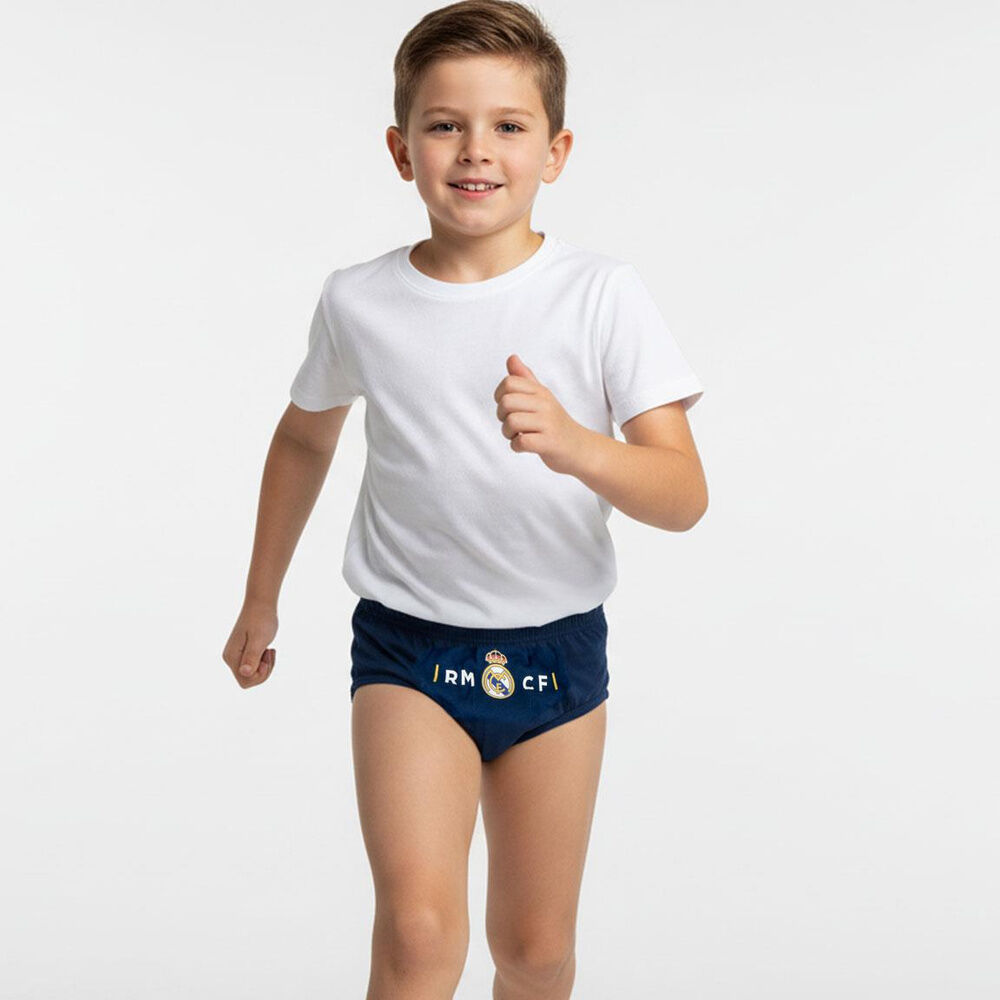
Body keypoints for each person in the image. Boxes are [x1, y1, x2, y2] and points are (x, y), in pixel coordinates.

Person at [222, 1, 707, 996]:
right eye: (445, 125)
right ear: (402, 150)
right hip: (407, 648)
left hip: (555, 654)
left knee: (534, 948)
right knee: (415, 935)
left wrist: (575, 445)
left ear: (555, 151)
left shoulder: (601, 294)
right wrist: (260, 596)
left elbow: (682, 494)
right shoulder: (359, 299)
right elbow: (305, 436)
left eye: (508, 125)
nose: (476, 149)